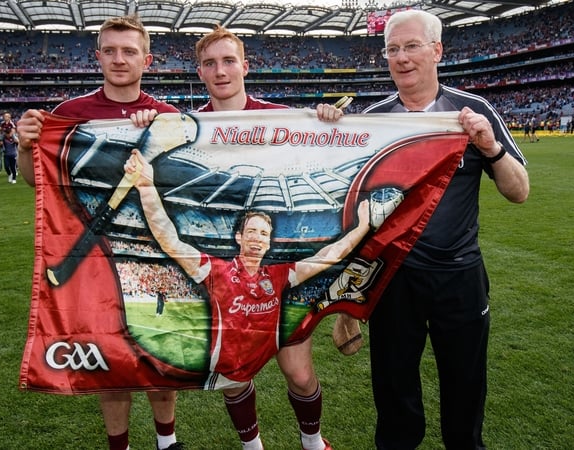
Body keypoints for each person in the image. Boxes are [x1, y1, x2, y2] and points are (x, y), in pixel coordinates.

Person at [318, 9, 529, 449]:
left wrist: (489, 147)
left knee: (466, 391)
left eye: (412, 46)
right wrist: (326, 131)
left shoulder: (473, 111)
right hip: (394, 279)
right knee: (394, 398)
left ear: (436, 50)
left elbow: (519, 190)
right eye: (392, 49)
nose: (401, 57)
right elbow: (341, 205)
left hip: (459, 275)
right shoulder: (372, 122)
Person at [125, 146, 370, 450]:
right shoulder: (214, 270)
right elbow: (169, 239)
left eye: (263, 233)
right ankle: (252, 446)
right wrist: (147, 188)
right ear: (239, 237)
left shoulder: (279, 275)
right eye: (251, 231)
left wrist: (361, 227)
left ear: (269, 242)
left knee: (303, 377)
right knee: (237, 382)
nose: (257, 238)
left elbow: (328, 256)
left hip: (270, 340)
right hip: (232, 359)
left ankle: (314, 443)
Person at [15, 15, 184, 450]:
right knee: (111, 360)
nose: (119, 59)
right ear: (97, 57)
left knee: (156, 353)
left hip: (150, 253)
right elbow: (35, 180)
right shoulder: (68, 115)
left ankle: (168, 442)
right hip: (93, 258)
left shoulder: (166, 117)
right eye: (110, 51)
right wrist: (25, 145)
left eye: (129, 51)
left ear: (147, 60)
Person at [191, 25, 337, 450]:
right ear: (200, 72)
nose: (221, 71)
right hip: (228, 265)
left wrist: (327, 122)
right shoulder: (189, 128)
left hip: (280, 261)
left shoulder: (282, 119)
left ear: (245, 66)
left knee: (299, 370)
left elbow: (331, 158)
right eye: (210, 63)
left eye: (229, 60)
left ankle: (312, 442)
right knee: (233, 374)